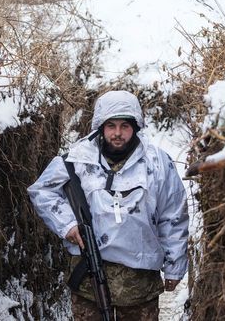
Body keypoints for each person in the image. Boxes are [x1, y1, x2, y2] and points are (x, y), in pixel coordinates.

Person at [28, 90, 189, 320]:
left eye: (125, 126)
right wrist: (68, 225)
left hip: (139, 285)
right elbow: (42, 190)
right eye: (111, 125)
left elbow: (173, 214)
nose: (117, 133)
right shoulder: (78, 159)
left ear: (135, 127)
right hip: (89, 281)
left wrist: (174, 265)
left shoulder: (157, 162)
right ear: (100, 127)